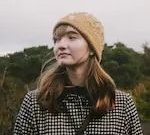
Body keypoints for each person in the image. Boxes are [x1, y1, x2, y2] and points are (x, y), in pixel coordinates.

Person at [14, 12, 143, 135]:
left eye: (72, 37)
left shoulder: (122, 104)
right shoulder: (36, 102)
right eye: (56, 39)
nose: (61, 45)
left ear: (92, 48)